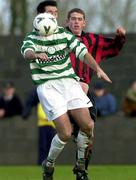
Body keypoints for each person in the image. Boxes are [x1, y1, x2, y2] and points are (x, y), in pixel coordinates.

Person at [36, 2, 126, 180]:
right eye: (73, 19)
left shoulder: (93, 40)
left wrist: (120, 38)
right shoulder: (56, 37)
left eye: (79, 19)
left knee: (88, 134)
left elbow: (114, 48)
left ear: (84, 23)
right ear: (67, 22)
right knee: (65, 134)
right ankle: (49, 164)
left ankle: (81, 172)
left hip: (82, 94)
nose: (76, 22)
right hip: (61, 93)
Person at [21, 10, 112, 180]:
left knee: (88, 126)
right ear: (37, 26)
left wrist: (97, 68)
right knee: (65, 133)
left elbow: (82, 52)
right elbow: (26, 53)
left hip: (69, 82)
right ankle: (48, 164)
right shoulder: (31, 38)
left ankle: (80, 167)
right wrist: (35, 54)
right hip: (47, 87)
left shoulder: (63, 34)